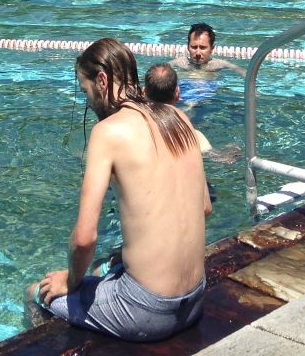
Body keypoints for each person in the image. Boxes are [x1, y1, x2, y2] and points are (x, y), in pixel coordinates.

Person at [29, 39, 209, 341]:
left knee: (37, 292)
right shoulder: (177, 116)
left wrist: (70, 282)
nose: (88, 102)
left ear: (101, 81)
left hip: (148, 312)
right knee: (107, 265)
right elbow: (205, 208)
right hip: (195, 299)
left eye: (86, 92)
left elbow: (85, 238)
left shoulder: (107, 133)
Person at [144, 63, 240, 163]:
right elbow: (222, 159)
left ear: (143, 92)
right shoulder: (192, 134)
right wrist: (234, 150)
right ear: (178, 93)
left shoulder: (134, 127)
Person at [171, 23, 244, 76]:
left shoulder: (219, 64)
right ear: (187, 47)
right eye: (194, 47)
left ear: (212, 49)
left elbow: (244, 73)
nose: (198, 53)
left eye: (203, 48)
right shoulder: (179, 63)